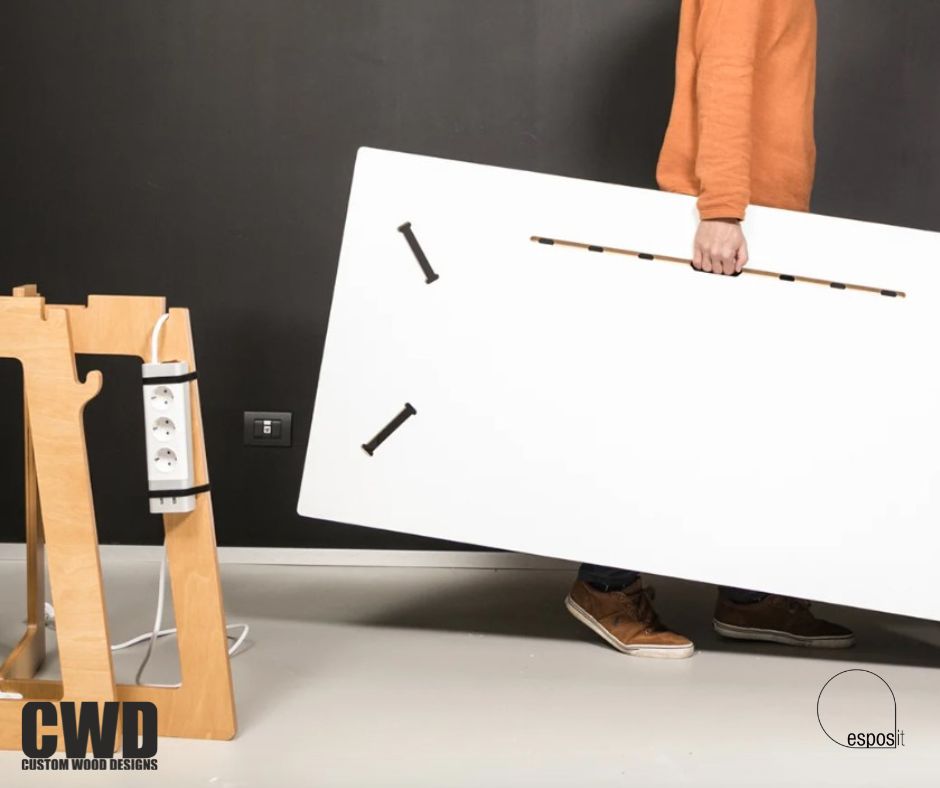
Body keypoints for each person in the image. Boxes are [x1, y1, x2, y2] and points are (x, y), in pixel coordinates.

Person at [565, 0, 855, 658]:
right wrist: (722, 209)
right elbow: (723, 69)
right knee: (677, 413)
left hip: (765, 218)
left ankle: (747, 596)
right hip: (733, 219)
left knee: (742, 419)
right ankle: (604, 584)